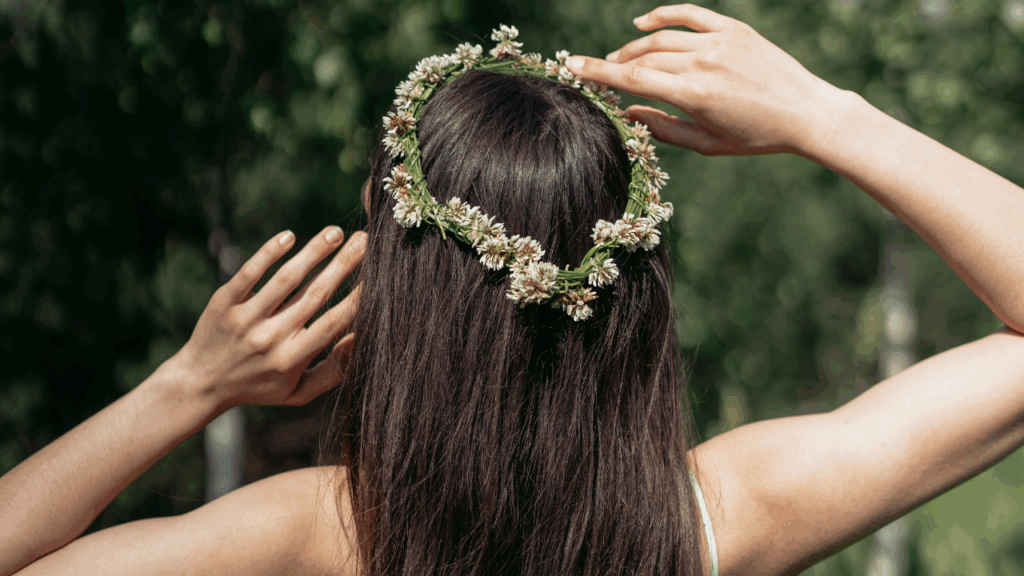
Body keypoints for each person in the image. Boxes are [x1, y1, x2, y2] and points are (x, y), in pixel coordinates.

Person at [2, 3, 1023, 575]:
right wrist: (822, 113)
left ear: (414, 291)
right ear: (633, 289)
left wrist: (186, 387)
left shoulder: (316, 537)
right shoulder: (718, 521)